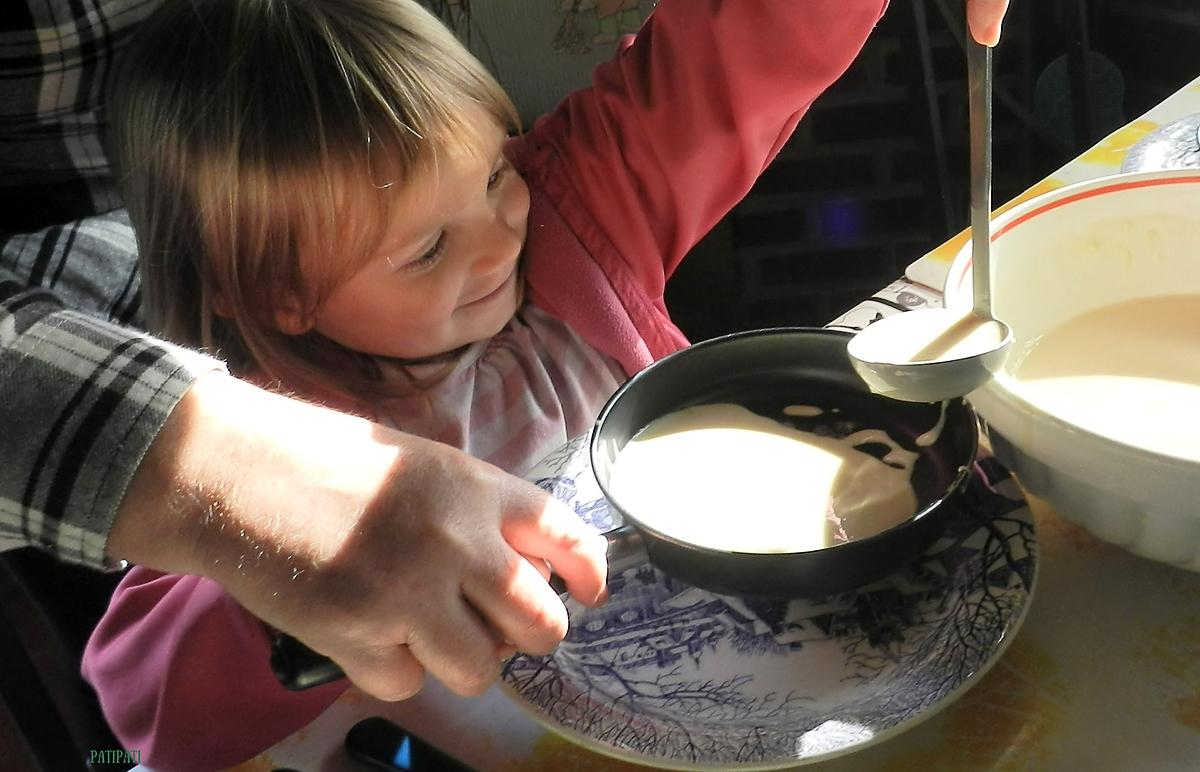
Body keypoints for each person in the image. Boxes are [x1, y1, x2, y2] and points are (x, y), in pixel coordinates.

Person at [0, 0, 1009, 768]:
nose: (497, 242)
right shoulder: (285, 448)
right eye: (428, 247)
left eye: (493, 173)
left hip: (751, 684)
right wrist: (293, 580)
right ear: (277, 294)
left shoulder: (582, 209)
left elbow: (737, 54)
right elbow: (146, 702)